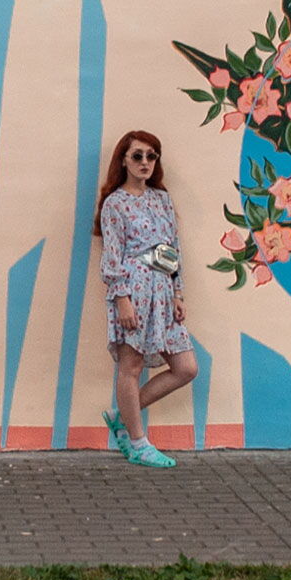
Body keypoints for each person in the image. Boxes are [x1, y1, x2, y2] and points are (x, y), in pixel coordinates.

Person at [94, 130, 198, 467]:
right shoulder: (115, 203)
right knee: (132, 365)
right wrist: (121, 297)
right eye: (137, 155)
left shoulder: (161, 199)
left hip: (163, 292)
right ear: (123, 159)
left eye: (151, 156)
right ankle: (138, 443)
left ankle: (122, 417)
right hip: (133, 288)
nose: (145, 163)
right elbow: (112, 254)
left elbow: (172, 249)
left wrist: (177, 290)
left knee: (185, 367)